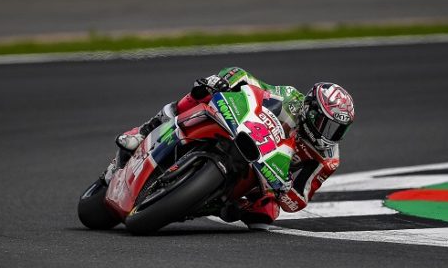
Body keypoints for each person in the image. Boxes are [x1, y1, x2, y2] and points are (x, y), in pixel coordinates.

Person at [105, 67, 355, 229]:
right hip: (245, 134)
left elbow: (299, 199)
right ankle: (145, 130)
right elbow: (254, 84)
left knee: (265, 216)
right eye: (326, 124)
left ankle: (221, 204)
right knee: (203, 91)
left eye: (337, 130)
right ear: (310, 111)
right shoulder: (291, 99)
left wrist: (286, 189)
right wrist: (226, 80)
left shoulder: (328, 159)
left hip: (265, 179)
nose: (329, 134)